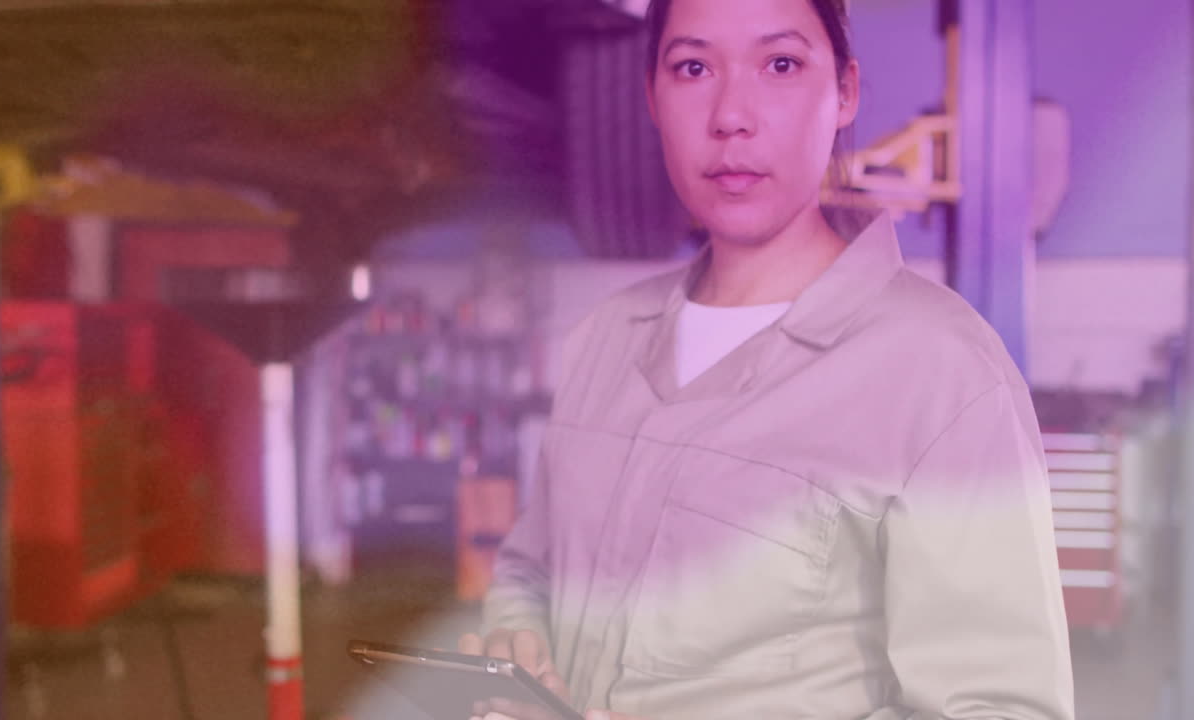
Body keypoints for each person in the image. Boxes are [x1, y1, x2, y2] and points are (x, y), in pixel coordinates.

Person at [460, 0, 1075, 718]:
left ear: (844, 90)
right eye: (692, 68)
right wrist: (518, 642)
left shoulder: (941, 373)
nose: (731, 115)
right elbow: (529, 570)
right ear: (651, 97)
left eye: (780, 64)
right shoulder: (605, 339)